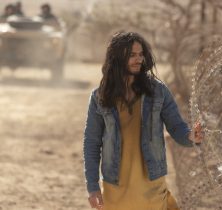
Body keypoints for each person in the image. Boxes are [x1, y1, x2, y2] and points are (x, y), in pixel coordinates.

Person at [83, 31, 204, 210]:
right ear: (117, 57)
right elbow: (92, 143)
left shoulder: (158, 91)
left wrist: (191, 137)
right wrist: (93, 187)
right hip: (115, 187)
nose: (138, 59)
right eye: (131, 55)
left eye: (140, 54)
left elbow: (177, 127)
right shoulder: (100, 96)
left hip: (151, 186)